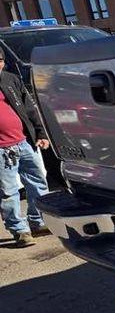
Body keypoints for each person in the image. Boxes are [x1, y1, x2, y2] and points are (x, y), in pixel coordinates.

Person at [0, 52, 50, 247]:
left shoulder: (11, 79)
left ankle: (38, 221)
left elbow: (30, 108)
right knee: (8, 191)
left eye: (0, 60)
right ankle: (19, 231)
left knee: (38, 182)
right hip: (2, 149)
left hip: (24, 142)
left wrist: (41, 133)